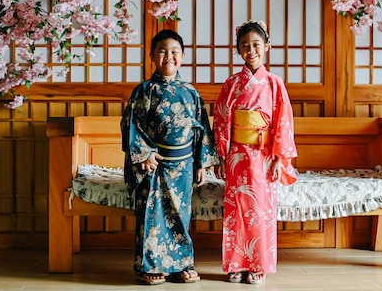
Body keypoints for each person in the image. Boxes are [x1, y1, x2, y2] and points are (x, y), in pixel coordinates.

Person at [121, 29, 220, 285]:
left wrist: (201, 163)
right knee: (152, 216)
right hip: (153, 164)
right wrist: (144, 154)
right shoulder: (144, 91)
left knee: (180, 215)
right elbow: (131, 125)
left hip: (184, 165)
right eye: (162, 51)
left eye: (174, 51)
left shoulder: (191, 92)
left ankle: (181, 264)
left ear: (183, 56)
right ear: (153, 55)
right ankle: (151, 265)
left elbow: (202, 129)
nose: (169, 56)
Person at [213, 20, 298, 285]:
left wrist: (279, 157)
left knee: (260, 210)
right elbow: (220, 118)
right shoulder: (231, 84)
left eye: (256, 45)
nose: (251, 50)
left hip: (263, 155)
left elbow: (283, 121)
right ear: (238, 50)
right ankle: (236, 264)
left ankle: (258, 264)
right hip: (238, 154)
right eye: (245, 46)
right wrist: (221, 154)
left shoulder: (274, 83)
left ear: (267, 47)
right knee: (237, 211)